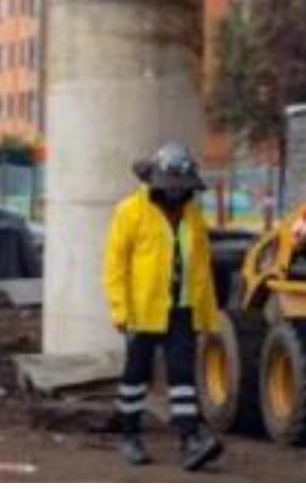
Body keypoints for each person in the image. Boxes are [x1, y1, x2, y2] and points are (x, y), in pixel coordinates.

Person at [103, 141, 222, 471]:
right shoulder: (130, 211)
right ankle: (130, 436)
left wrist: (207, 314)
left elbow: (201, 268)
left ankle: (190, 440)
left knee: (183, 376)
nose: (176, 193)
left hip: (182, 308)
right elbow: (115, 266)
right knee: (136, 376)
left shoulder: (192, 216)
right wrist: (120, 310)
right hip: (142, 310)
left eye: (181, 187)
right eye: (171, 186)